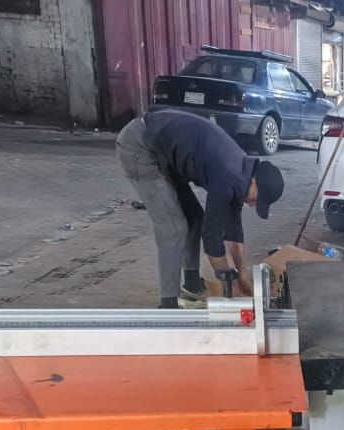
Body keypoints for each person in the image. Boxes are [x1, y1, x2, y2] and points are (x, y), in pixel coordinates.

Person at [116, 109, 284, 308]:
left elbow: (233, 232)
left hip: (166, 154)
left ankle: (192, 286)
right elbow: (212, 239)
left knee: (195, 218)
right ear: (254, 181)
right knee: (173, 228)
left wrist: (242, 276)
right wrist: (228, 281)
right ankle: (168, 305)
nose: (254, 204)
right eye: (258, 199)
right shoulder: (228, 177)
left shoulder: (242, 175)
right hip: (140, 147)